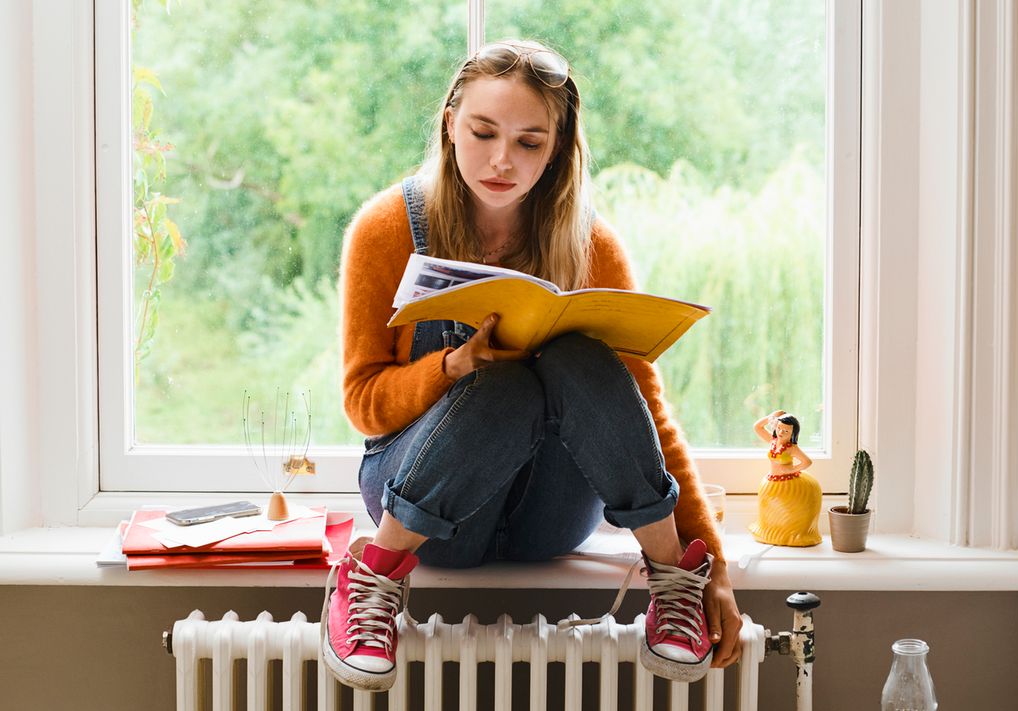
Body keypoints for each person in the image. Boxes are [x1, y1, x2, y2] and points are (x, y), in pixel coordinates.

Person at [322, 39, 742, 691]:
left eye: (529, 143)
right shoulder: (386, 229)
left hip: (550, 516)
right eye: (483, 132)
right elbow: (362, 401)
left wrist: (713, 562)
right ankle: (372, 574)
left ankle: (674, 579)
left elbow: (643, 409)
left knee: (578, 355)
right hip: (425, 507)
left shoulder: (592, 243)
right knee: (504, 385)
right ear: (449, 124)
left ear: (558, 147)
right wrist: (453, 365)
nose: (501, 160)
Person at [748, 410, 822, 546]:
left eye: (786, 431)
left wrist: (792, 469)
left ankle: (793, 534)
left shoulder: (792, 448)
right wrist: (772, 416)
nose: (781, 432)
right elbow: (757, 427)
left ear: (793, 434)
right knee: (770, 510)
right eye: (779, 428)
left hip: (789, 483)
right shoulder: (773, 440)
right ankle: (770, 533)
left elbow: (807, 462)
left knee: (789, 511)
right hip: (772, 481)